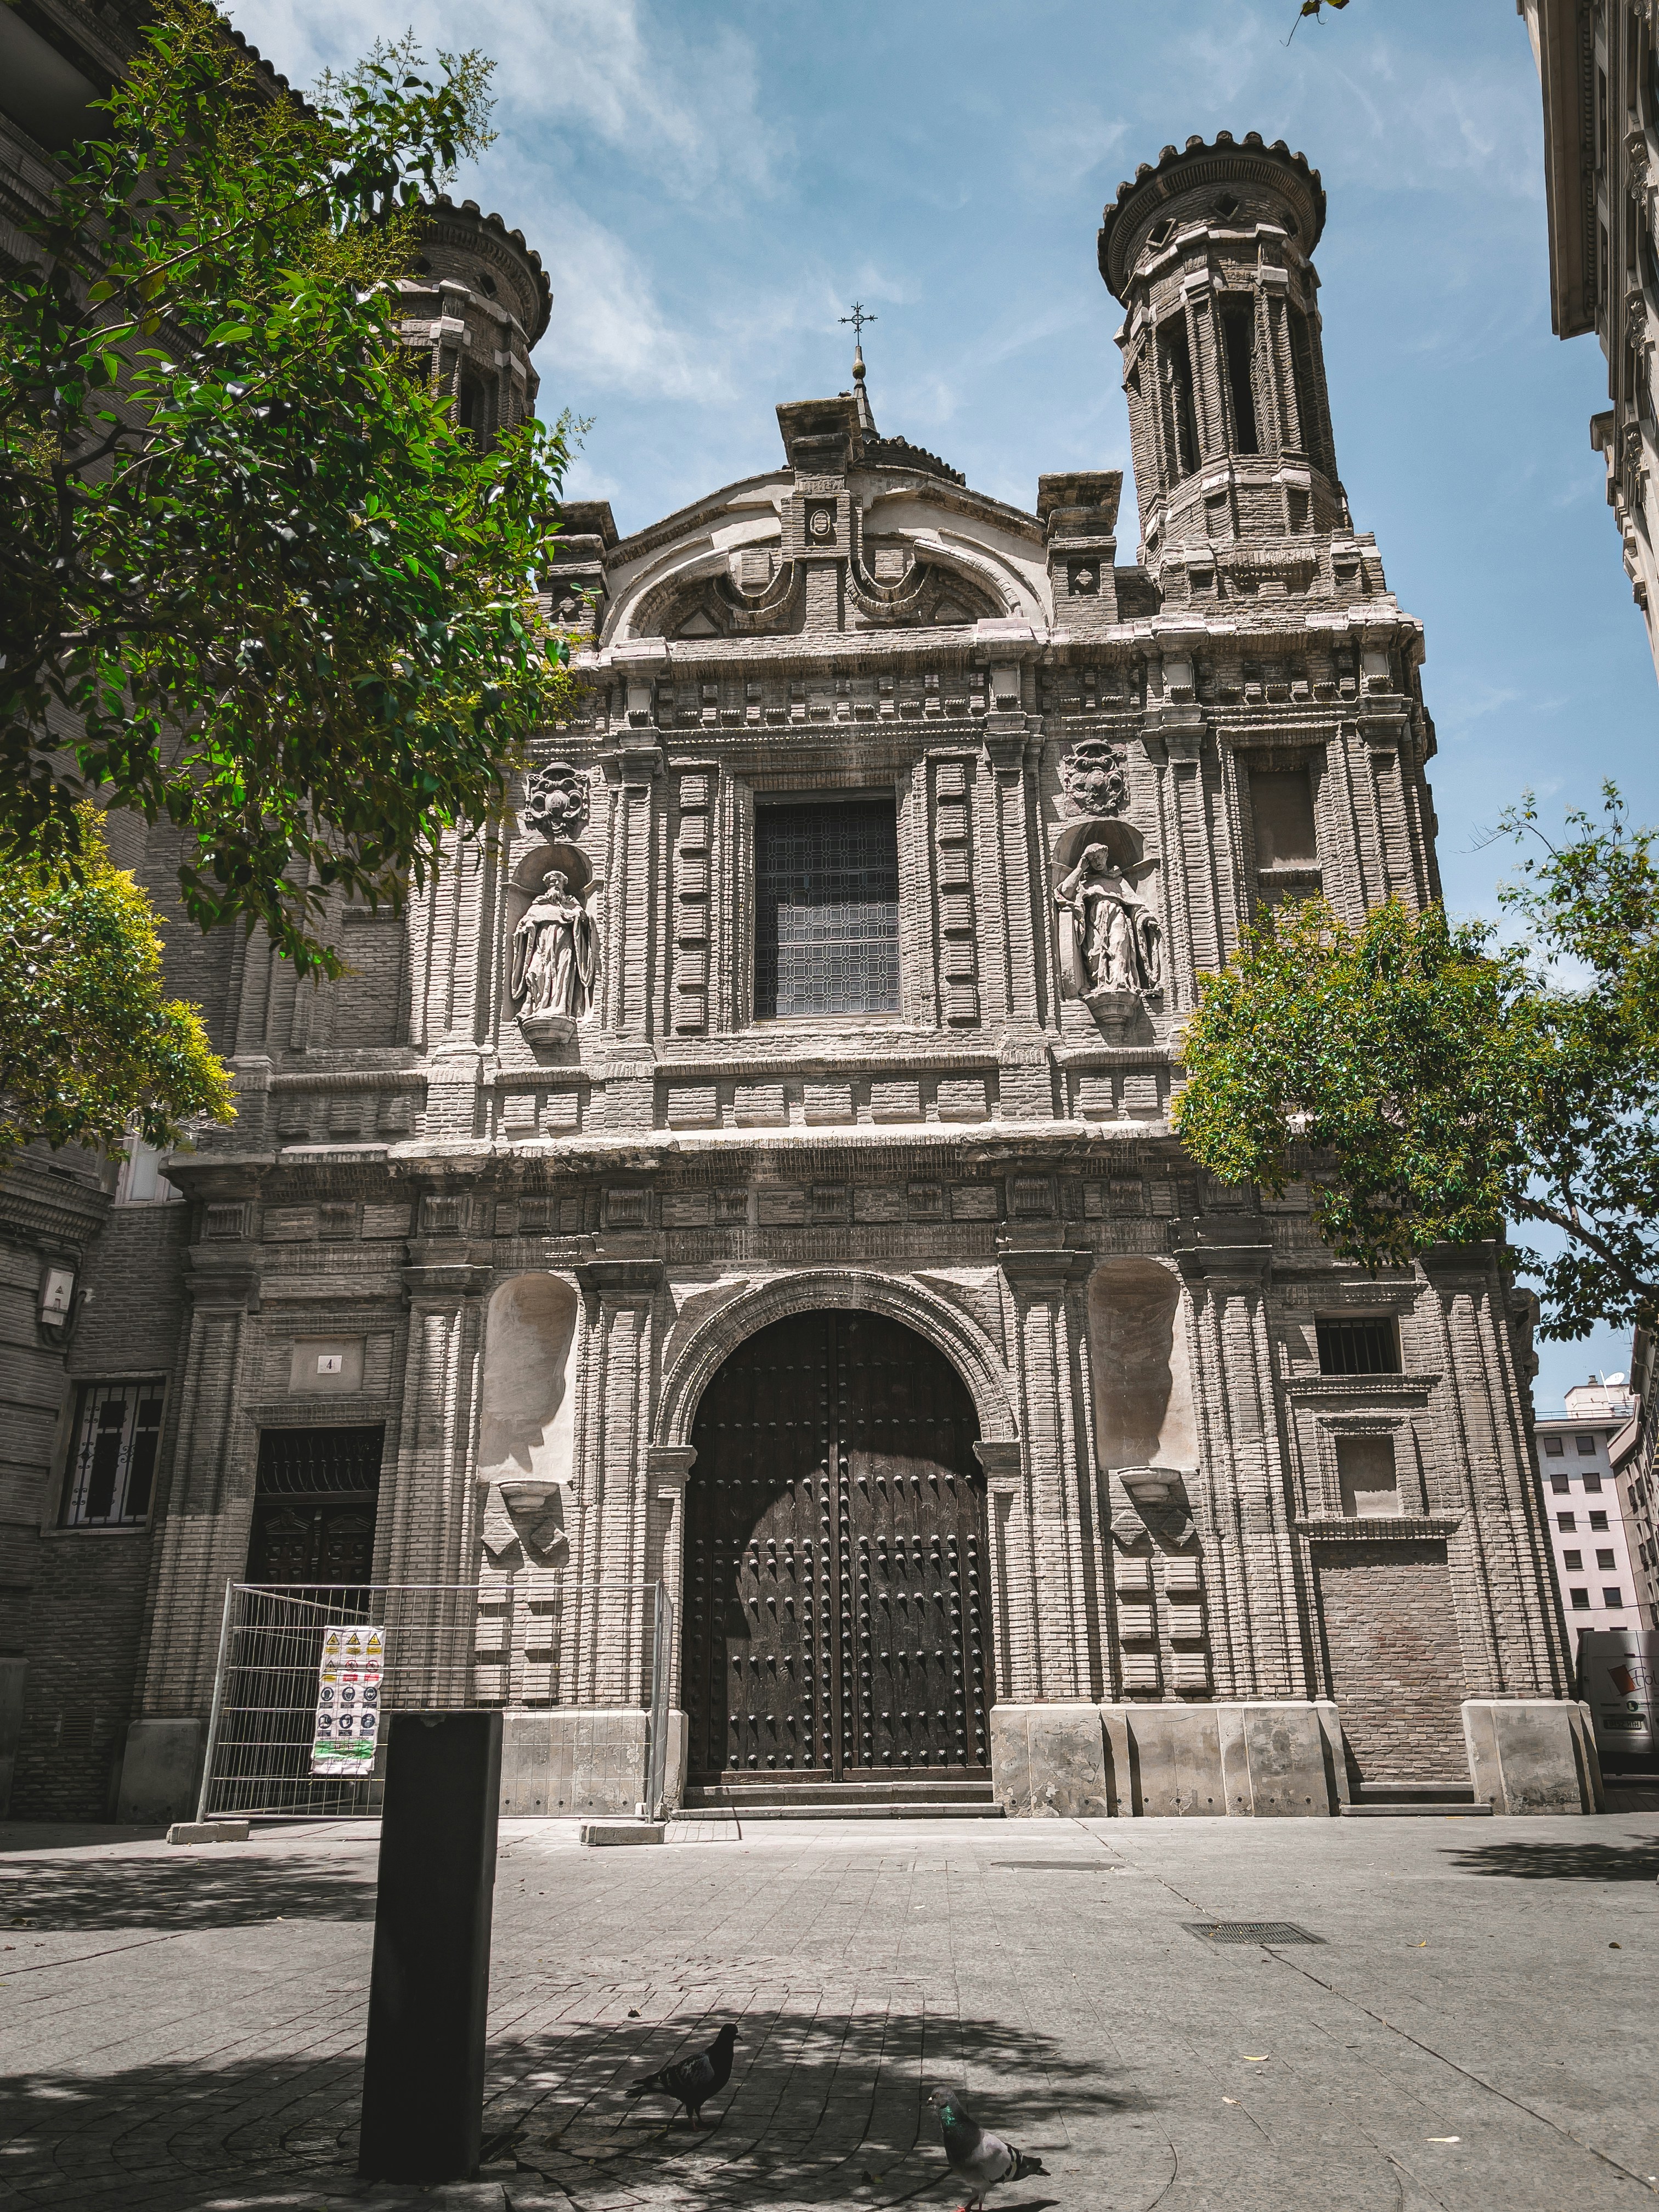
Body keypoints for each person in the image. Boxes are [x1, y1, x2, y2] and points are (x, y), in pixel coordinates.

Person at [1055, 843, 1161, 997]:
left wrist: (1146, 919)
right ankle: (1100, 986)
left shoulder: (1118, 881)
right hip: (1094, 921)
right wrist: (1079, 869)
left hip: (1116, 916)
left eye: (1099, 857)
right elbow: (1065, 892)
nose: (1097, 862)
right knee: (1095, 954)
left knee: (1119, 946)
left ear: (1106, 855)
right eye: (1092, 860)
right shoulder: (1085, 882)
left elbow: (1135, 906)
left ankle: (1120, 984)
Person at [510, 868, 596, 1020]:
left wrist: (581, 919)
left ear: (563, 885)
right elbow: (524, 924)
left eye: (557, 882)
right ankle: (534, 1007)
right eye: (550, 883)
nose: (554, 886)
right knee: (534, 973)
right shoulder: (538, 906)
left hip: (565, 946)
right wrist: (526, 926)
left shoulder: (572, 905)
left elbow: (583, 922)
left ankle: (560, 1007)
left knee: (563, 974)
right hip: (542, 946)